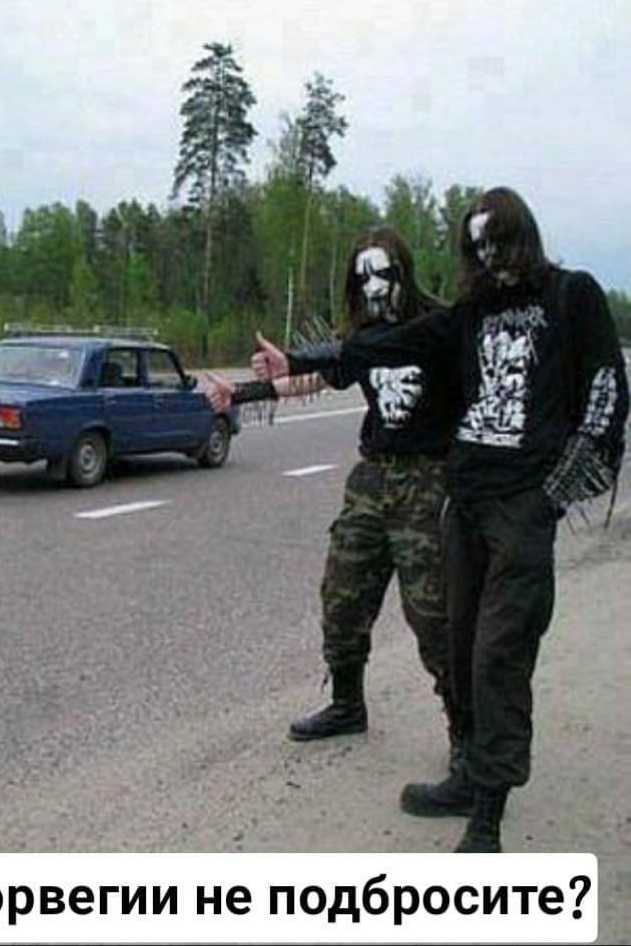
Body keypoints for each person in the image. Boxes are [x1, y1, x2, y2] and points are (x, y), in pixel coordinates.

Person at [253, 187, 628, 851]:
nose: (489, 256)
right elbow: (386, 345)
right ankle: (462, 774)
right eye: (477, 246)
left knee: (496, 656)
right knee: (458, 644)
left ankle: (486, 819)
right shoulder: (470, 313)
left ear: (523, 236)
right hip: (466, 501)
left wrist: (554, 496)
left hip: (517, 504)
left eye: (498, 241)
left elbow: (605, 397)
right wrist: (292, 363)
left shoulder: (571, 295)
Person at [208, 227, 465, 763]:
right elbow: (321, 378)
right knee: (342, 596)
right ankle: (347, 704)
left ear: (403, 271)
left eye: (383, 273)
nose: (374, 286)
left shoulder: (439, 324)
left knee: (433, 613)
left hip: (429, 479)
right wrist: (243, 392)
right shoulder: (362, 336)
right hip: (373, 479)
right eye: (362, 277)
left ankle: (467, 733)